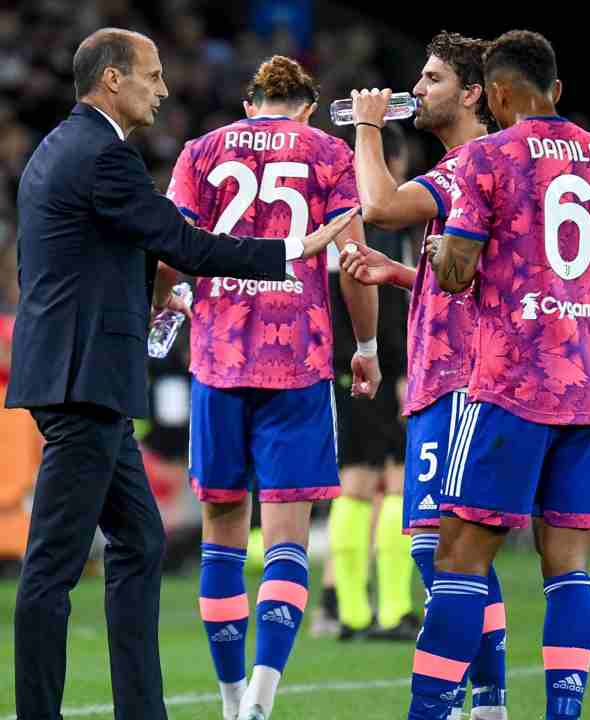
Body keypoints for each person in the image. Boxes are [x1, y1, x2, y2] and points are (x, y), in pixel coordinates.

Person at [6, 28, 353, 720]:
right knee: (51, 567)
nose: (163, 90)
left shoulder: (58, 149)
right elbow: (183, 243)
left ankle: (144, 710)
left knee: (141, 541)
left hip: (79, 375)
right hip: (84, 382)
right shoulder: (107, 158)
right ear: (112, 80)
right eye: (152, 75)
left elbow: (89, 257)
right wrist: (290, 249)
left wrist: (149, 292)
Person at [409, 30, 590, 720]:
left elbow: (458, 270)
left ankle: (429, 712)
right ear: (555, 91)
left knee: (459, 555)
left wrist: (441, 261)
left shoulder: (486, 158)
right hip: (589, 386)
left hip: (511, 383)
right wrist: (575, 299)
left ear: (493, 94)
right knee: (568, 564)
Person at [165, 55, 380, 720]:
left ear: (248, 100)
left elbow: (172, 246)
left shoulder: (200, 152)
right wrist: (366, 346)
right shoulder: (327, 151)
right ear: (309, 106)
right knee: (286, 539)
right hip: (297, 361)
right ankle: (262, 698)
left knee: (222, 537)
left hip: (218, 360)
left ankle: (230, 701)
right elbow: (354, 262)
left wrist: (173, 298)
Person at [339, 31, 510, 719]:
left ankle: (477, 698)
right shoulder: (476, 166)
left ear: (472, 94)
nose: (421, 86)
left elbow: (377, 207)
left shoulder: (469, 164)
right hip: (451, 374)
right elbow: (471, 283)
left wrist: (368, 126)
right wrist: (401, 274)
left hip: (462, 381)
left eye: (433, 78)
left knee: (436, 549)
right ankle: (490, 700)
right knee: (454, 550)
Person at [320, 121, 410, 644]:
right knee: (394, 482)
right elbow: (391, 307)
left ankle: (350, 612)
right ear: (390, 165)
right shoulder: (385, 219)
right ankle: (394, 609)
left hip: (337, 366)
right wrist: (400, 370)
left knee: (353, 483)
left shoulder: (336, 217)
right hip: (380, 365)